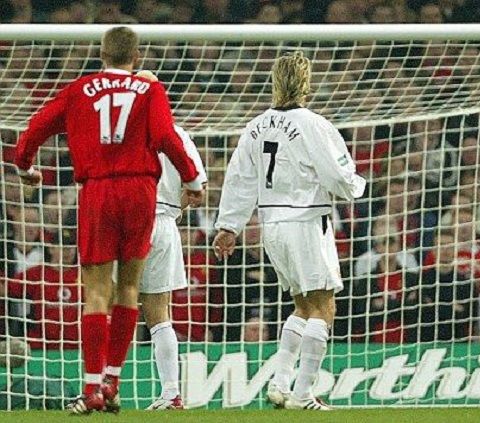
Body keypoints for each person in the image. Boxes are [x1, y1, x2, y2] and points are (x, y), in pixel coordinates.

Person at [13, 27, 204, 414]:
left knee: (98, 292)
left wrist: (25, 166)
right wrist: (192, 179)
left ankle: (92, 388)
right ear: (136, 58)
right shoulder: (150, 91)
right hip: (140, 192)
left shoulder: (79, 89)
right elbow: (167, 137)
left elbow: (35, 127)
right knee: (130, 289)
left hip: (97, 190)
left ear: (101, 54)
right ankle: (113, 378)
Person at [212, 51, 365, 411]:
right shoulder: (314, 124)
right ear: (306, 82)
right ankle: (302, 395)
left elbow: (239, 179)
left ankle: (280, 385)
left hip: (272, 227)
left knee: (302, 305)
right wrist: (355, 187)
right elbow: (336, 174)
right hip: (306, 221)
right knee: (324, 306)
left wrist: (229, 226)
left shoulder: (255, 126)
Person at [135, 69, 208, 410]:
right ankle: (170, 394)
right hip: (164, 224)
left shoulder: (122, 132)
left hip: (127, 222)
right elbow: (199, 191)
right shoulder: (178, 134)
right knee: (159, 315)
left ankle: (101, 387)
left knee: (108, 305)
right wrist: (170, 206)